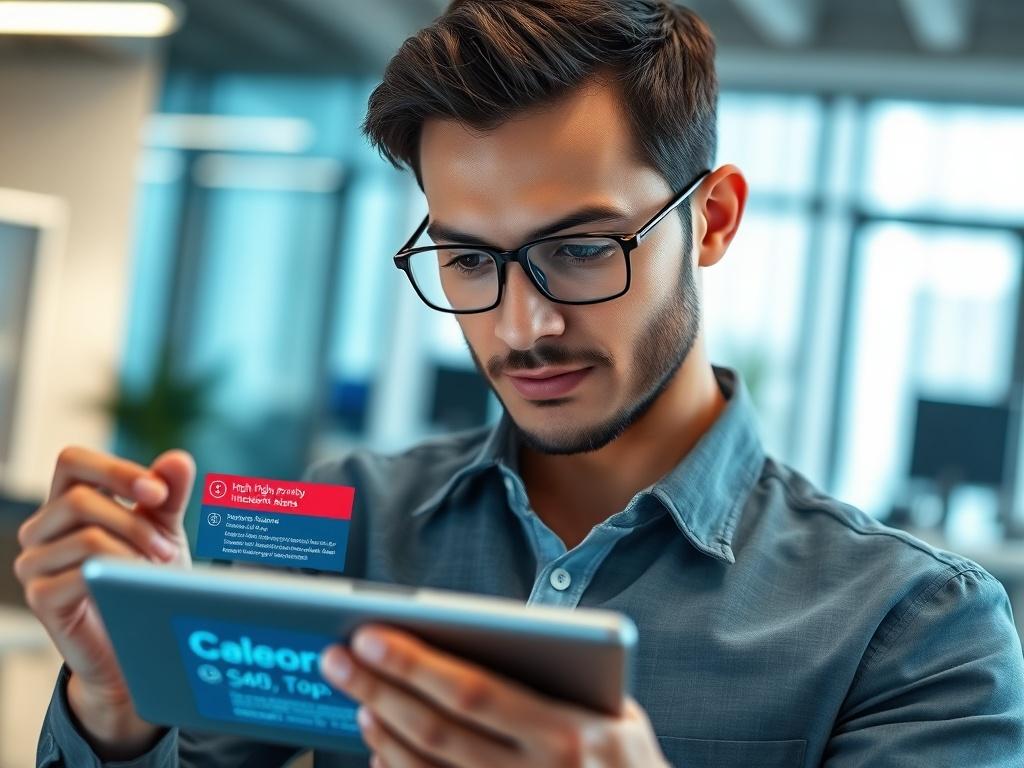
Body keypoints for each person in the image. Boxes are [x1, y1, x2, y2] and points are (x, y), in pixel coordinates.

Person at [16, 1, 1024, 766]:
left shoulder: (913, 633)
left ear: (711, 220)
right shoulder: (345, 515)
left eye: (582, 249)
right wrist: (118, 709)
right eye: (467, 260)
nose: (521, 325)